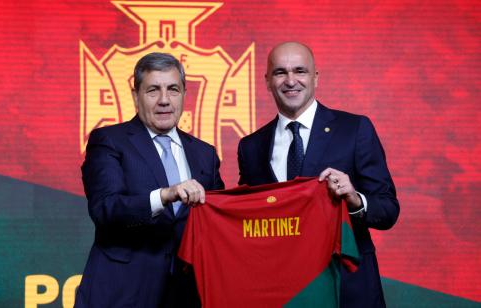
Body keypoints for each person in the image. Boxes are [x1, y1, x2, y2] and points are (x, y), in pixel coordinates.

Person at [237, 42, 399, 307]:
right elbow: (248, 214)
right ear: (267, 81)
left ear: (315, 77)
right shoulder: (251, 146)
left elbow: (388, 209)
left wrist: (355, 199)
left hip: (346, 285)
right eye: (280, 72)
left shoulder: (355, 129)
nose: (291, 80)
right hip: (281, 290)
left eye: (300, 71)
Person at [75, 52, 224, 307]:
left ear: (184, 95)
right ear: (136, 96)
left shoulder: (204, 153)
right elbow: (106, 209)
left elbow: (218, 221)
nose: (164, 100)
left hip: (186, 295)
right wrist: (165, 194)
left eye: (173, 89)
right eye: (153, 90)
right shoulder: (108, 141)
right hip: (121, 293)